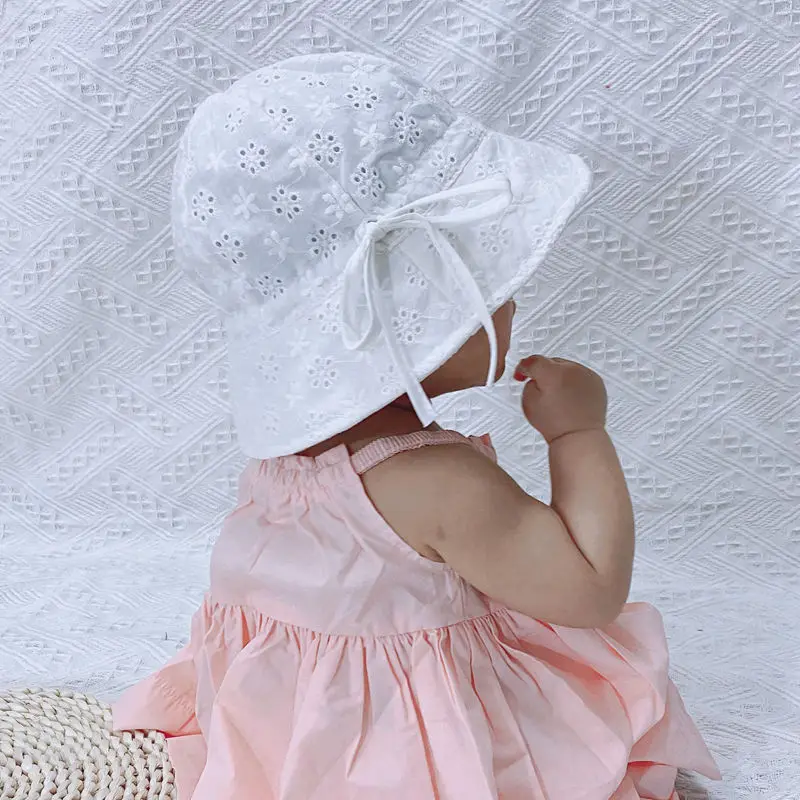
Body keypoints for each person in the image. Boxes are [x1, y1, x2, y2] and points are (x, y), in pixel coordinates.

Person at [114, 52, 720, 799]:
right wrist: (578, 435)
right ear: (413, 311)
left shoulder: (287, 461)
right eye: (490, 280)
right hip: (396, 744)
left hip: (285, 722)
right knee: (599, 707)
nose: (512, 303)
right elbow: (590, 591)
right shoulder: (435, 479)